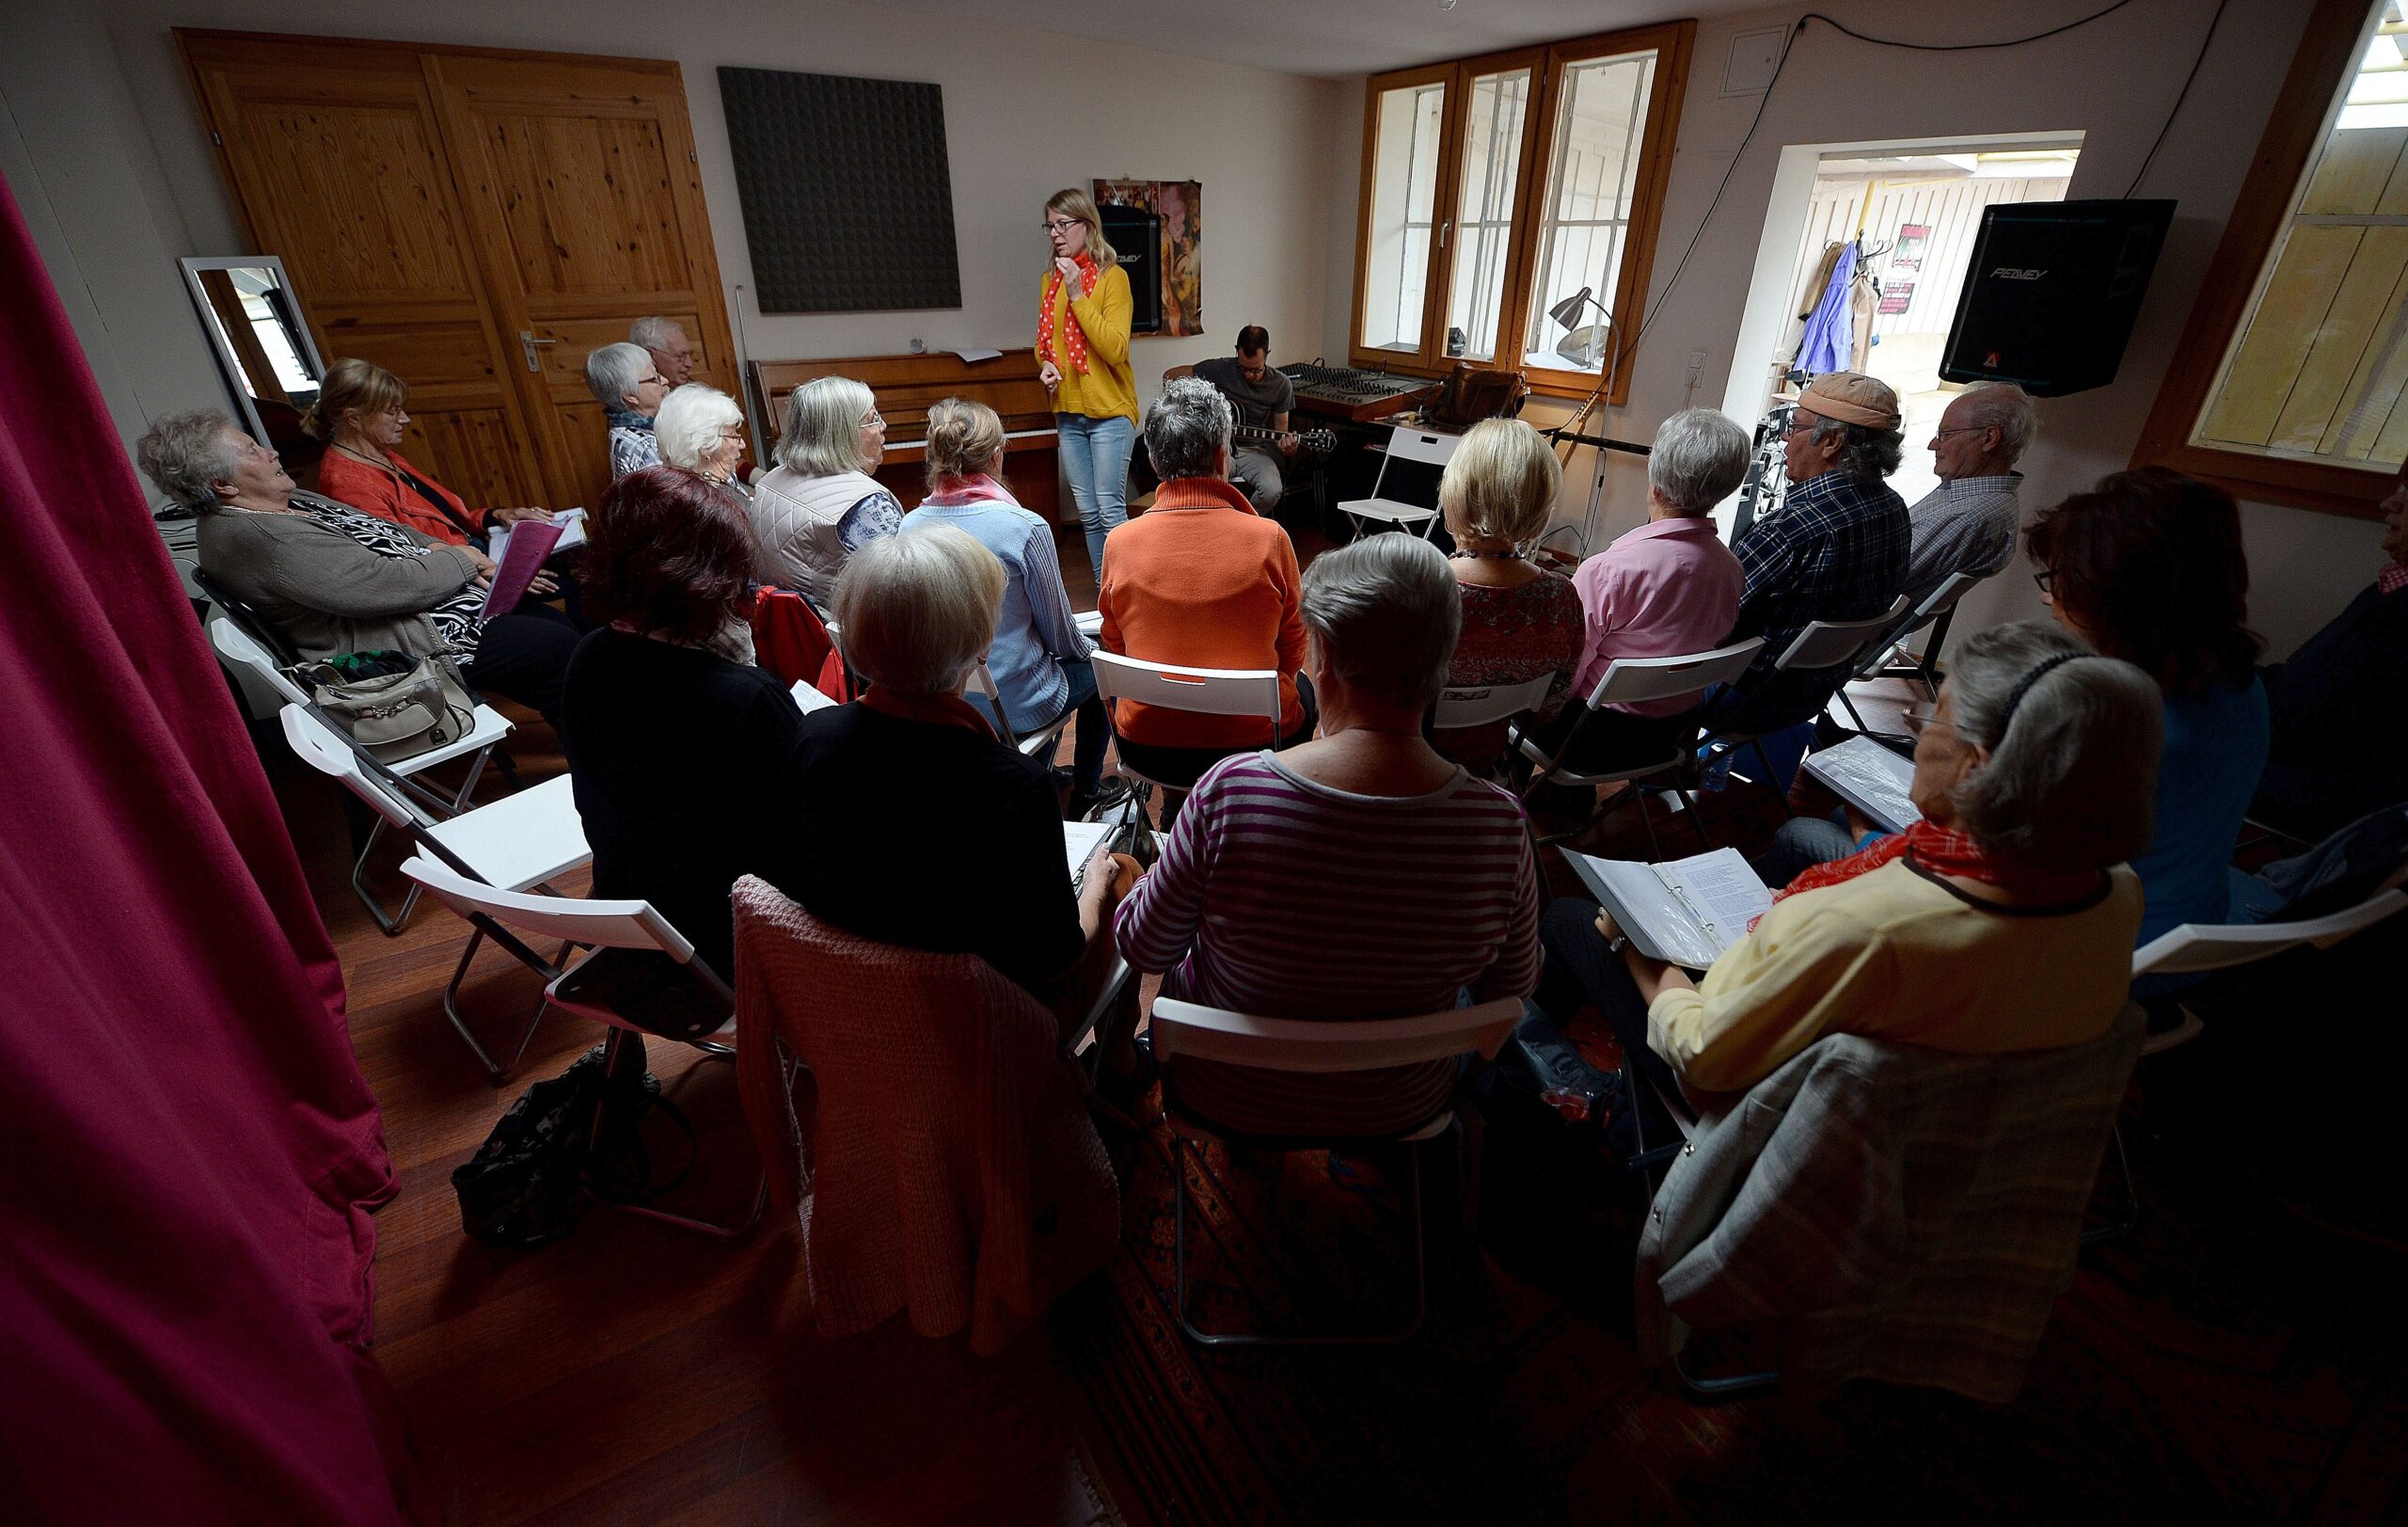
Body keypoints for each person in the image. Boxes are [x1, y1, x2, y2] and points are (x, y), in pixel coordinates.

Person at [1533, 622, 2159, 1122]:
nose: (1919, 738)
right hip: (1952, 1128)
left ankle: (1571, 1099)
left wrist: (1639, 944)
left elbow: (1702, 1054)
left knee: (1569, 918)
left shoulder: (1861, 927)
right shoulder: (2115, 890)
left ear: (1977, 765)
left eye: (1931, 717)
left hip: (1762, 1112)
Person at [1116, 534, 1542, 1135]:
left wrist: (1136, 885)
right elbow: (1514, 985)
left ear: (1330, 661)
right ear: (1441, 658)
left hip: (1227, 1092)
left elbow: (1146, 948)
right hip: (1404, 1105)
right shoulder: (1500, 826)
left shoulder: (1229, 794)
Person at [785, 529, 1132, 1026]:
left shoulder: (814, 738)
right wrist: (1095, 886)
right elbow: (1058, 956)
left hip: (859, 1009)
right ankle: (1120, 1069)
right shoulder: (1013, 784)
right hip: (987, 1026)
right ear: (978, 642)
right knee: (1123, 870)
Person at [145, 409, 579, 728]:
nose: (272, 451)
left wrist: (464, 557)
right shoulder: (261, 538)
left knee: (552, 628)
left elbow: (393, 532)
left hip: (437, 606)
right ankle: (601, 760)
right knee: (554, 645)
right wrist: (460, 559)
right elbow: (383, 587)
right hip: (410, 646)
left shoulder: (290, 502)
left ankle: (595, 741)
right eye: (252, 451)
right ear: (223, 484)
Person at [559, 467, 797, 978]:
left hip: (633, 923)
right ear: (708, 577)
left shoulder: (589, 657)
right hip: (731, 944)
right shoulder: (743, 697)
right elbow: (806, 843)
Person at [2027, 468, 2268, 946]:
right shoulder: (2239, 684)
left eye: (2058, 579)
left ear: (2116, 594)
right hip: (2179, 933)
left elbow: (2001, 871)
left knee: (1841, 825)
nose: (2049, 597)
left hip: (2081, 951)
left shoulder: (2112, 719)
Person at [899, 397, 1118, 817]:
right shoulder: (1023, 527)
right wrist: (1094, 649)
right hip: (1016, 704)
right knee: (1100, 666)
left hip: (948, 699)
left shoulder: (910, 524)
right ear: (996, 457)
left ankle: (1036, 767)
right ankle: (1087, 791)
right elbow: (1060, 636)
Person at [1098, 378, 1312, 800]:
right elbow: (1292, 650)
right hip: (1255, 745)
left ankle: (1179, 811)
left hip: (1149, 747)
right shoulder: (1271, 540)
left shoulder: (1118, 543)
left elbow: (1114, 646)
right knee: (1302, 687)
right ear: (1222, 456)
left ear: (1156, 463)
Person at [1700, 371, 1911, 783]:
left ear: (1831, 442)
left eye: (1795, 428)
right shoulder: (1895, 510)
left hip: (1743, 701)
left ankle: (1655, 775)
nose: (1784, 440)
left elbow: (1709, 626)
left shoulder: (1791, 529)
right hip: (1810, 695)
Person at [1528, 408, 1750, 772]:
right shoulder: (1731, 570)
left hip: (1587, 740)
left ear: (1656, 485)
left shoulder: (1608, 571)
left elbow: (1565, 673)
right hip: (1670, 736)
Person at [2251, 485, 2408, 839]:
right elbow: (2302, 684)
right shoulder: (2389, 589)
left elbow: (2310, 723)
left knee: (2152, 747)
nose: (2389, 502)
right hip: (2305, 758)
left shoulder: (2400, 614)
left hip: (2331, 793)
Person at [1429, 417, 1584, 768]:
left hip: (1406, 770)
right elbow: (1549, 710)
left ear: (1457, 492)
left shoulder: (1422, 591)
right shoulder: (1562, 599)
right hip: (1487, 768)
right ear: (1541, 503)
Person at [309, 358, 555, 547]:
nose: (405, 419)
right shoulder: (346, 484)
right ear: (353, 417)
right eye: (392, 411)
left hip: (476, 551)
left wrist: (498, 515)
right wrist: (497, 570)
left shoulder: (382, 455)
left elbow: (450, 523)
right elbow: (408, 554)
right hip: (465, 577)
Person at [1037, 187, 1138, 576]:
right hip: (1068, 410)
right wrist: (1045, 363)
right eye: (1050, 225)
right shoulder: (1050, 280)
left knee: (1111, 510)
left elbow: (1114, 349)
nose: (1055, 233)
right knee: (1089, 514)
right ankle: (1104, 598)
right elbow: (1044, 344)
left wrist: (1078, 293)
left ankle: (1129, 594)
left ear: (1087, 225)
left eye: (1063, 224)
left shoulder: (1114, 278)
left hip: (1110, 410)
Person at [749, 375, 903, 607]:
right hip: (839, 634)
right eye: (873, 419)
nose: (883, 426)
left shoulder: (769, 481)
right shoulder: (865, 505)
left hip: (792, 634)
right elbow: (907, 592)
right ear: (842, 434)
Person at [1900, 382, 2036, 605]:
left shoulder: (1967, 515)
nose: (1933, 445)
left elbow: (1869, 583)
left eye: (1945, 434)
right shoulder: (1975, 496)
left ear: (1989, 438)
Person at [1191, 325, 1298, 516]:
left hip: (1254, 451)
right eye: (1243, 369)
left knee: (1272, 490)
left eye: (1255, 370)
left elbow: (1282, 434)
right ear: (1236, 351)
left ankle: (1243, 524)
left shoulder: (1281, 385)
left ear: (1267, 354)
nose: (1249, 375)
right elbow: (1171, 374)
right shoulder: (1219, 369)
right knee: (1204, 484)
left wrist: (1287, 448)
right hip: (1220, 447)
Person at [654, 383, 752, 504]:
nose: (742, 444)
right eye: (733, 436)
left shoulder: (669, 491)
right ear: (706, 446)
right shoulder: (715, 503)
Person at [584, 342, 671, 479]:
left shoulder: (620, 429)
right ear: (630, 395)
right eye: (655, 379)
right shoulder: (645, 447)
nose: (665, 381)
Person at [630, 315, 695, 388]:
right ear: (650, 356)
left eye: (690, 354)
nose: (689, 364)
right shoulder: (636, 395)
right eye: (680, 356)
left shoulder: (694, 392)